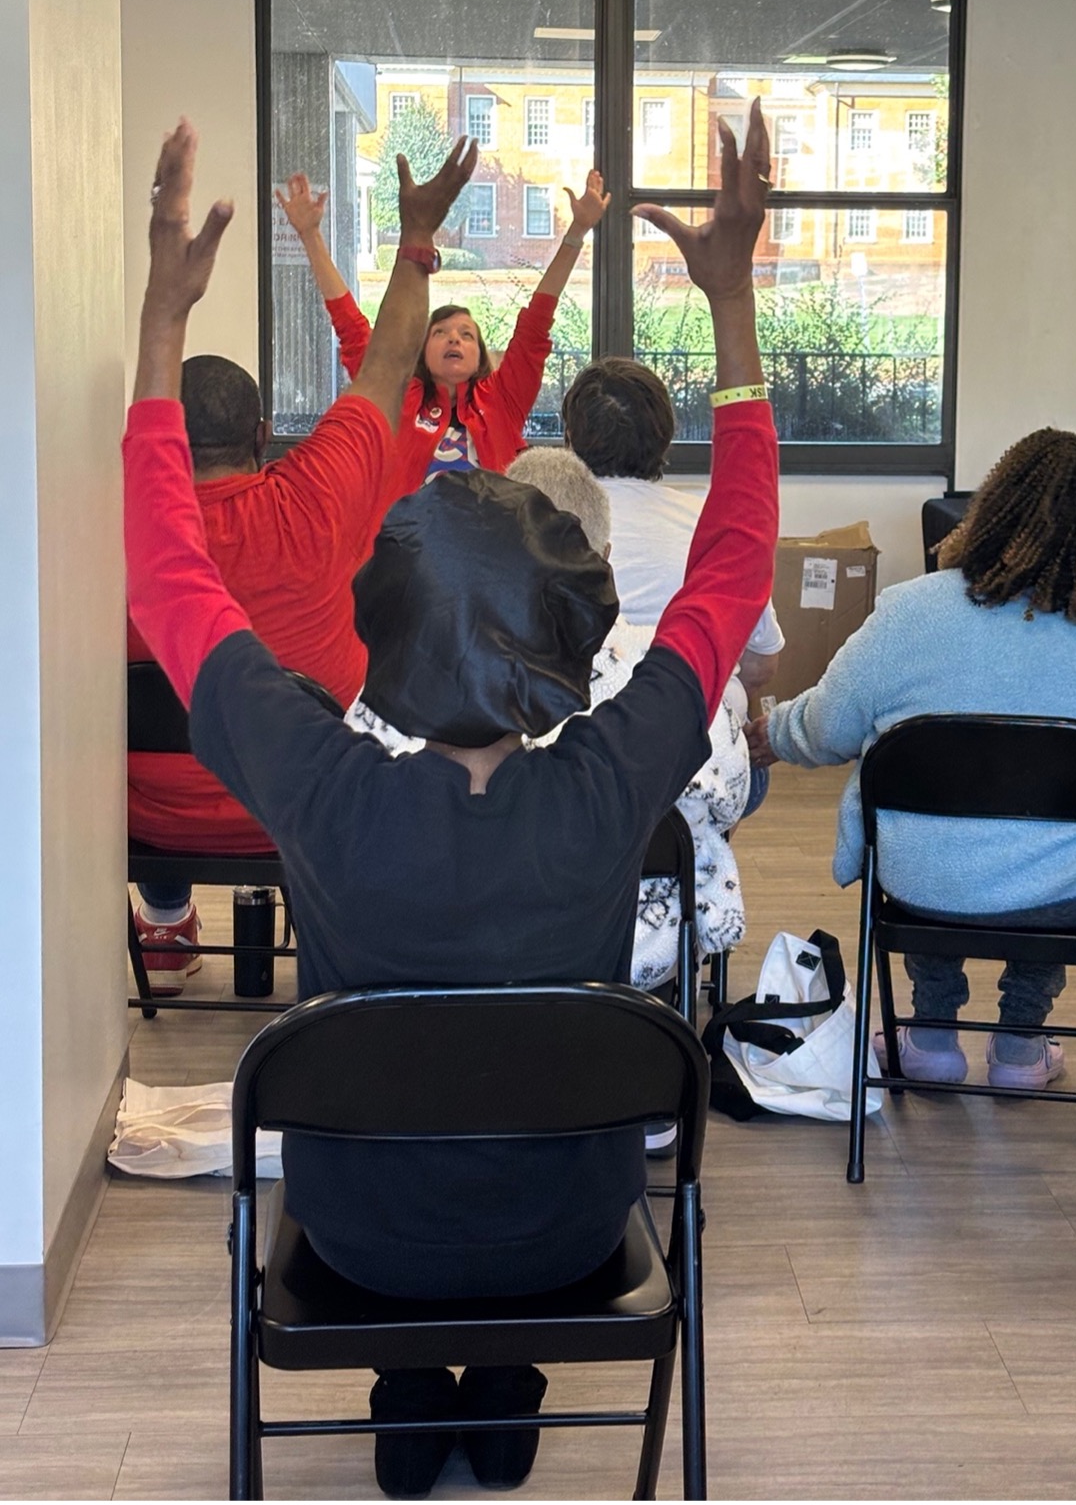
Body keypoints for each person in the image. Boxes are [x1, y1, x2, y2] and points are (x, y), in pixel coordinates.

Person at [124, 105, 775, 1497]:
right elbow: (732, 564)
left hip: (359, 1234)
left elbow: (169, 574)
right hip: (570, 1230)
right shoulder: (615, 776)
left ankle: (410, 1390)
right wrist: (730, 313)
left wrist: (161, 325)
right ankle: (507, 1383)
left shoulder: (316, 779)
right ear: (572, 637)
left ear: (379, 628)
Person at [747, 429, 1076, 1092]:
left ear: (994, 511)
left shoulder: (909, 613)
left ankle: (928, 1035)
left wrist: (772, 733)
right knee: (1062, 852)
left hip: (924, 883)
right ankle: (1020, 1043)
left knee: (938, 839)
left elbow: (830, 727)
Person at [128, 150, 476, 992]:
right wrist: (416, 238)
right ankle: (337, 934)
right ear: (260, 437)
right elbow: (387, 366)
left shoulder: (119, 530)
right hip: (304, 806)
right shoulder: (316, 490)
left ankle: (166, 920)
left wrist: (164, 309)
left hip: (148, 819)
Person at [505, 446, 751, 988]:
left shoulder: (425, 678)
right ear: (606, 559)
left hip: (474, 952)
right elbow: (730, 800)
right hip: (637, 953)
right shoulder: (667, 675)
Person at [292, 164, 610, 498]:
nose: (454, 338)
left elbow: (536, 323)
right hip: (403, 532)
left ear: (480, 355)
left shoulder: (503, 398)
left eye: (466, 335)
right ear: (422, 353)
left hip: (491, 531)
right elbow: (350, 326)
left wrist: (577, 231)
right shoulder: (395, 395)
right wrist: (311, 236)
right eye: (440, 332)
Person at [562, 354, 783, 814]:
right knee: (740, 758)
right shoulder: (711, 521)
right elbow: (762, 665)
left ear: (569, 438)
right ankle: (703, 846)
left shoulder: (539, 520)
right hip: (699, 761)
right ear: (665, 438)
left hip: (575, 770)